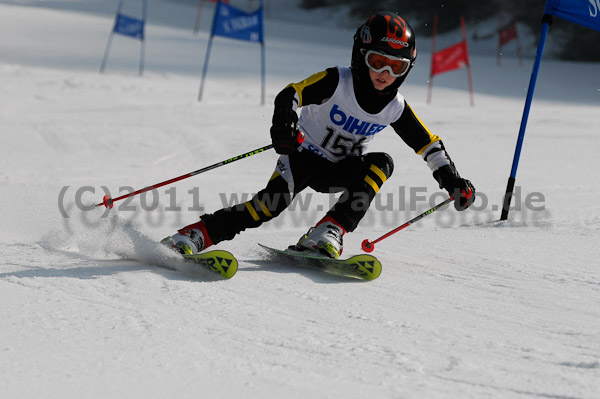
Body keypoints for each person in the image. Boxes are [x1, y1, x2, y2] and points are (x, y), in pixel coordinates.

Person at [162, 11, 475, 259]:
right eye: (378, 62)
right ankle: (195, 235)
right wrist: (284, 126)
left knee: (382, 162)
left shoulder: (394, 107)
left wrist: (452, 180)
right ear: (361, 54)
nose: (385, 74)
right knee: (267, 207)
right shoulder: (338, 80)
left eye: (397, 66)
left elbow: (428, 144)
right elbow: (292, 94)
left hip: (341, 169)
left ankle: (329, 230)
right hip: (300, 157)